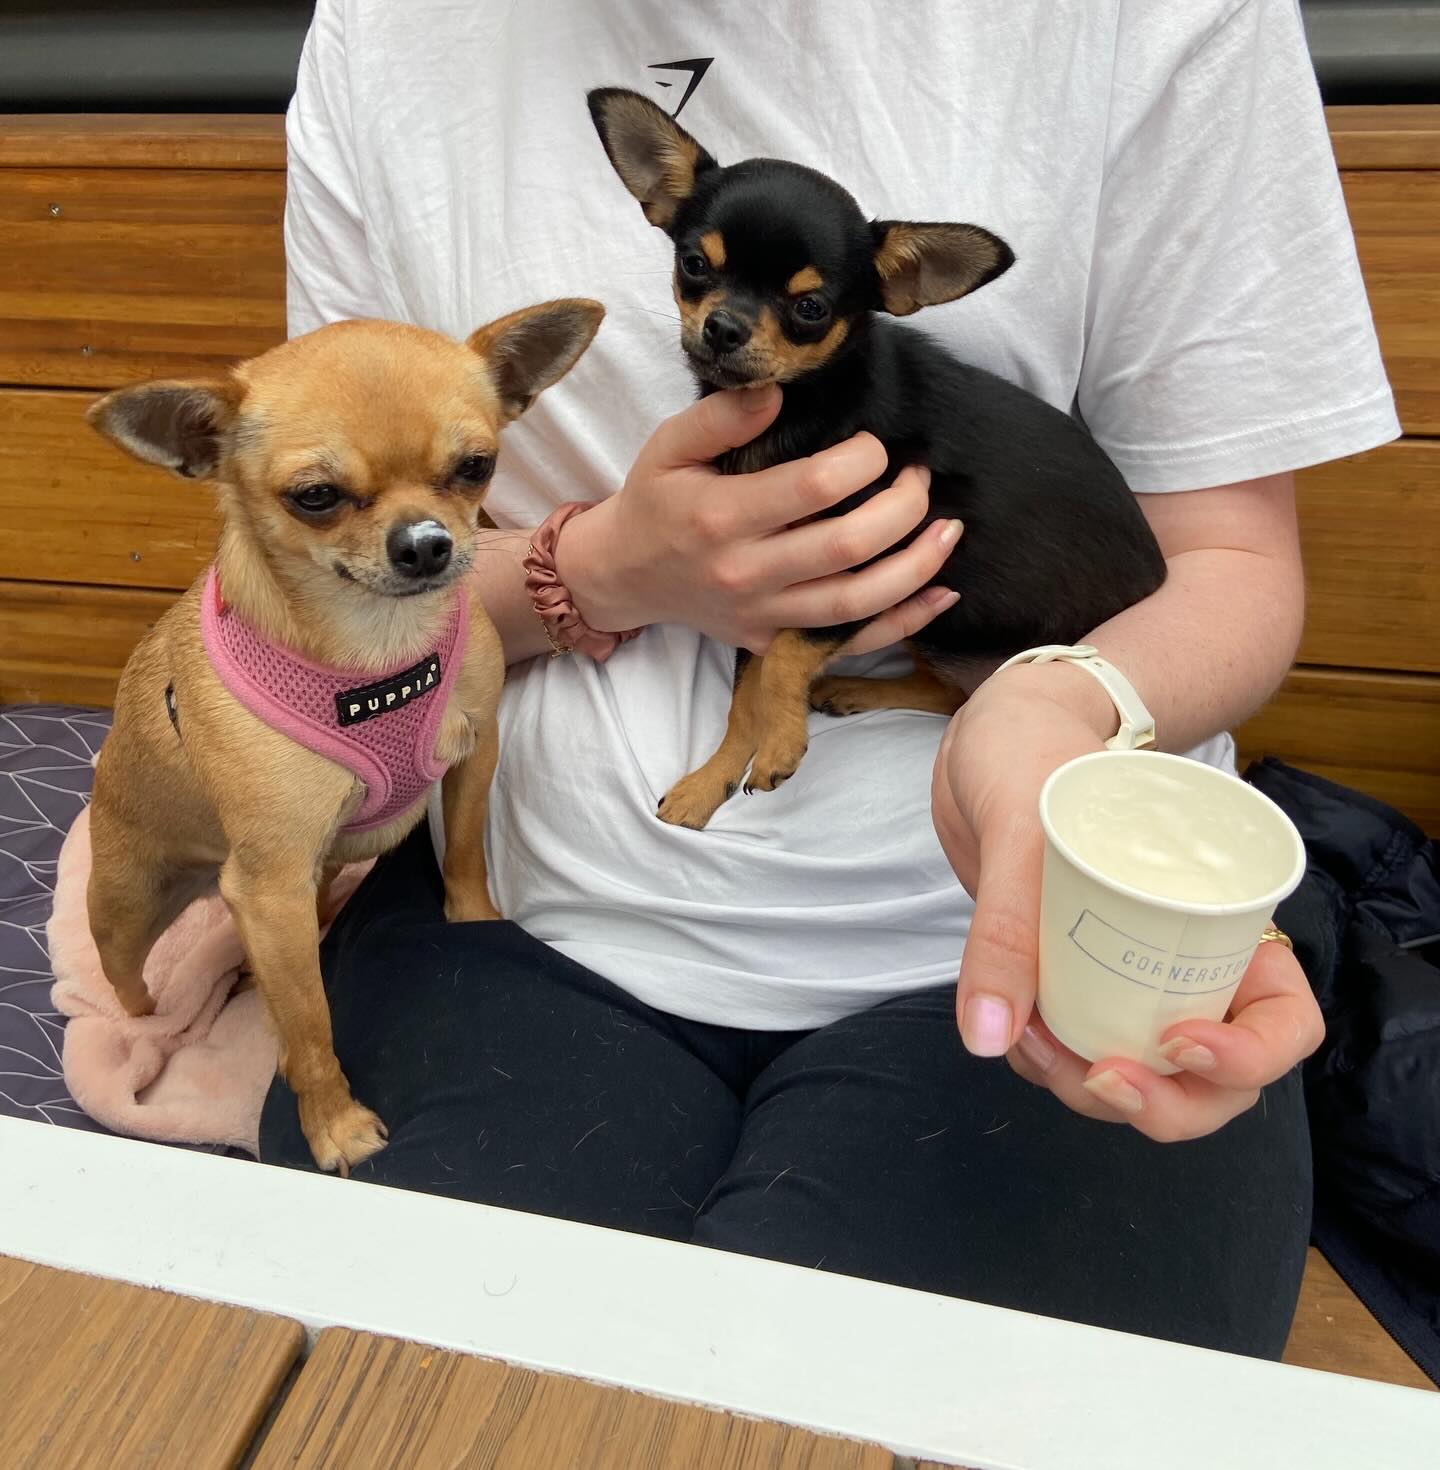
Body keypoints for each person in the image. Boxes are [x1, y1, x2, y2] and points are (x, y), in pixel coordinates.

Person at [262, 0, 1399, 1356]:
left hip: (1029, 934)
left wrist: (1046, 700)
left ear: (879, 294)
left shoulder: (1158, 22)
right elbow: (314, 574)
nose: (729, 326)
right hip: (508, 912)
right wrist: (602, 569)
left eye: (797, 311)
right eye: (706, 284)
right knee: (415, 1406)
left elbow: (1226, 564)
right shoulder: (388, 35)